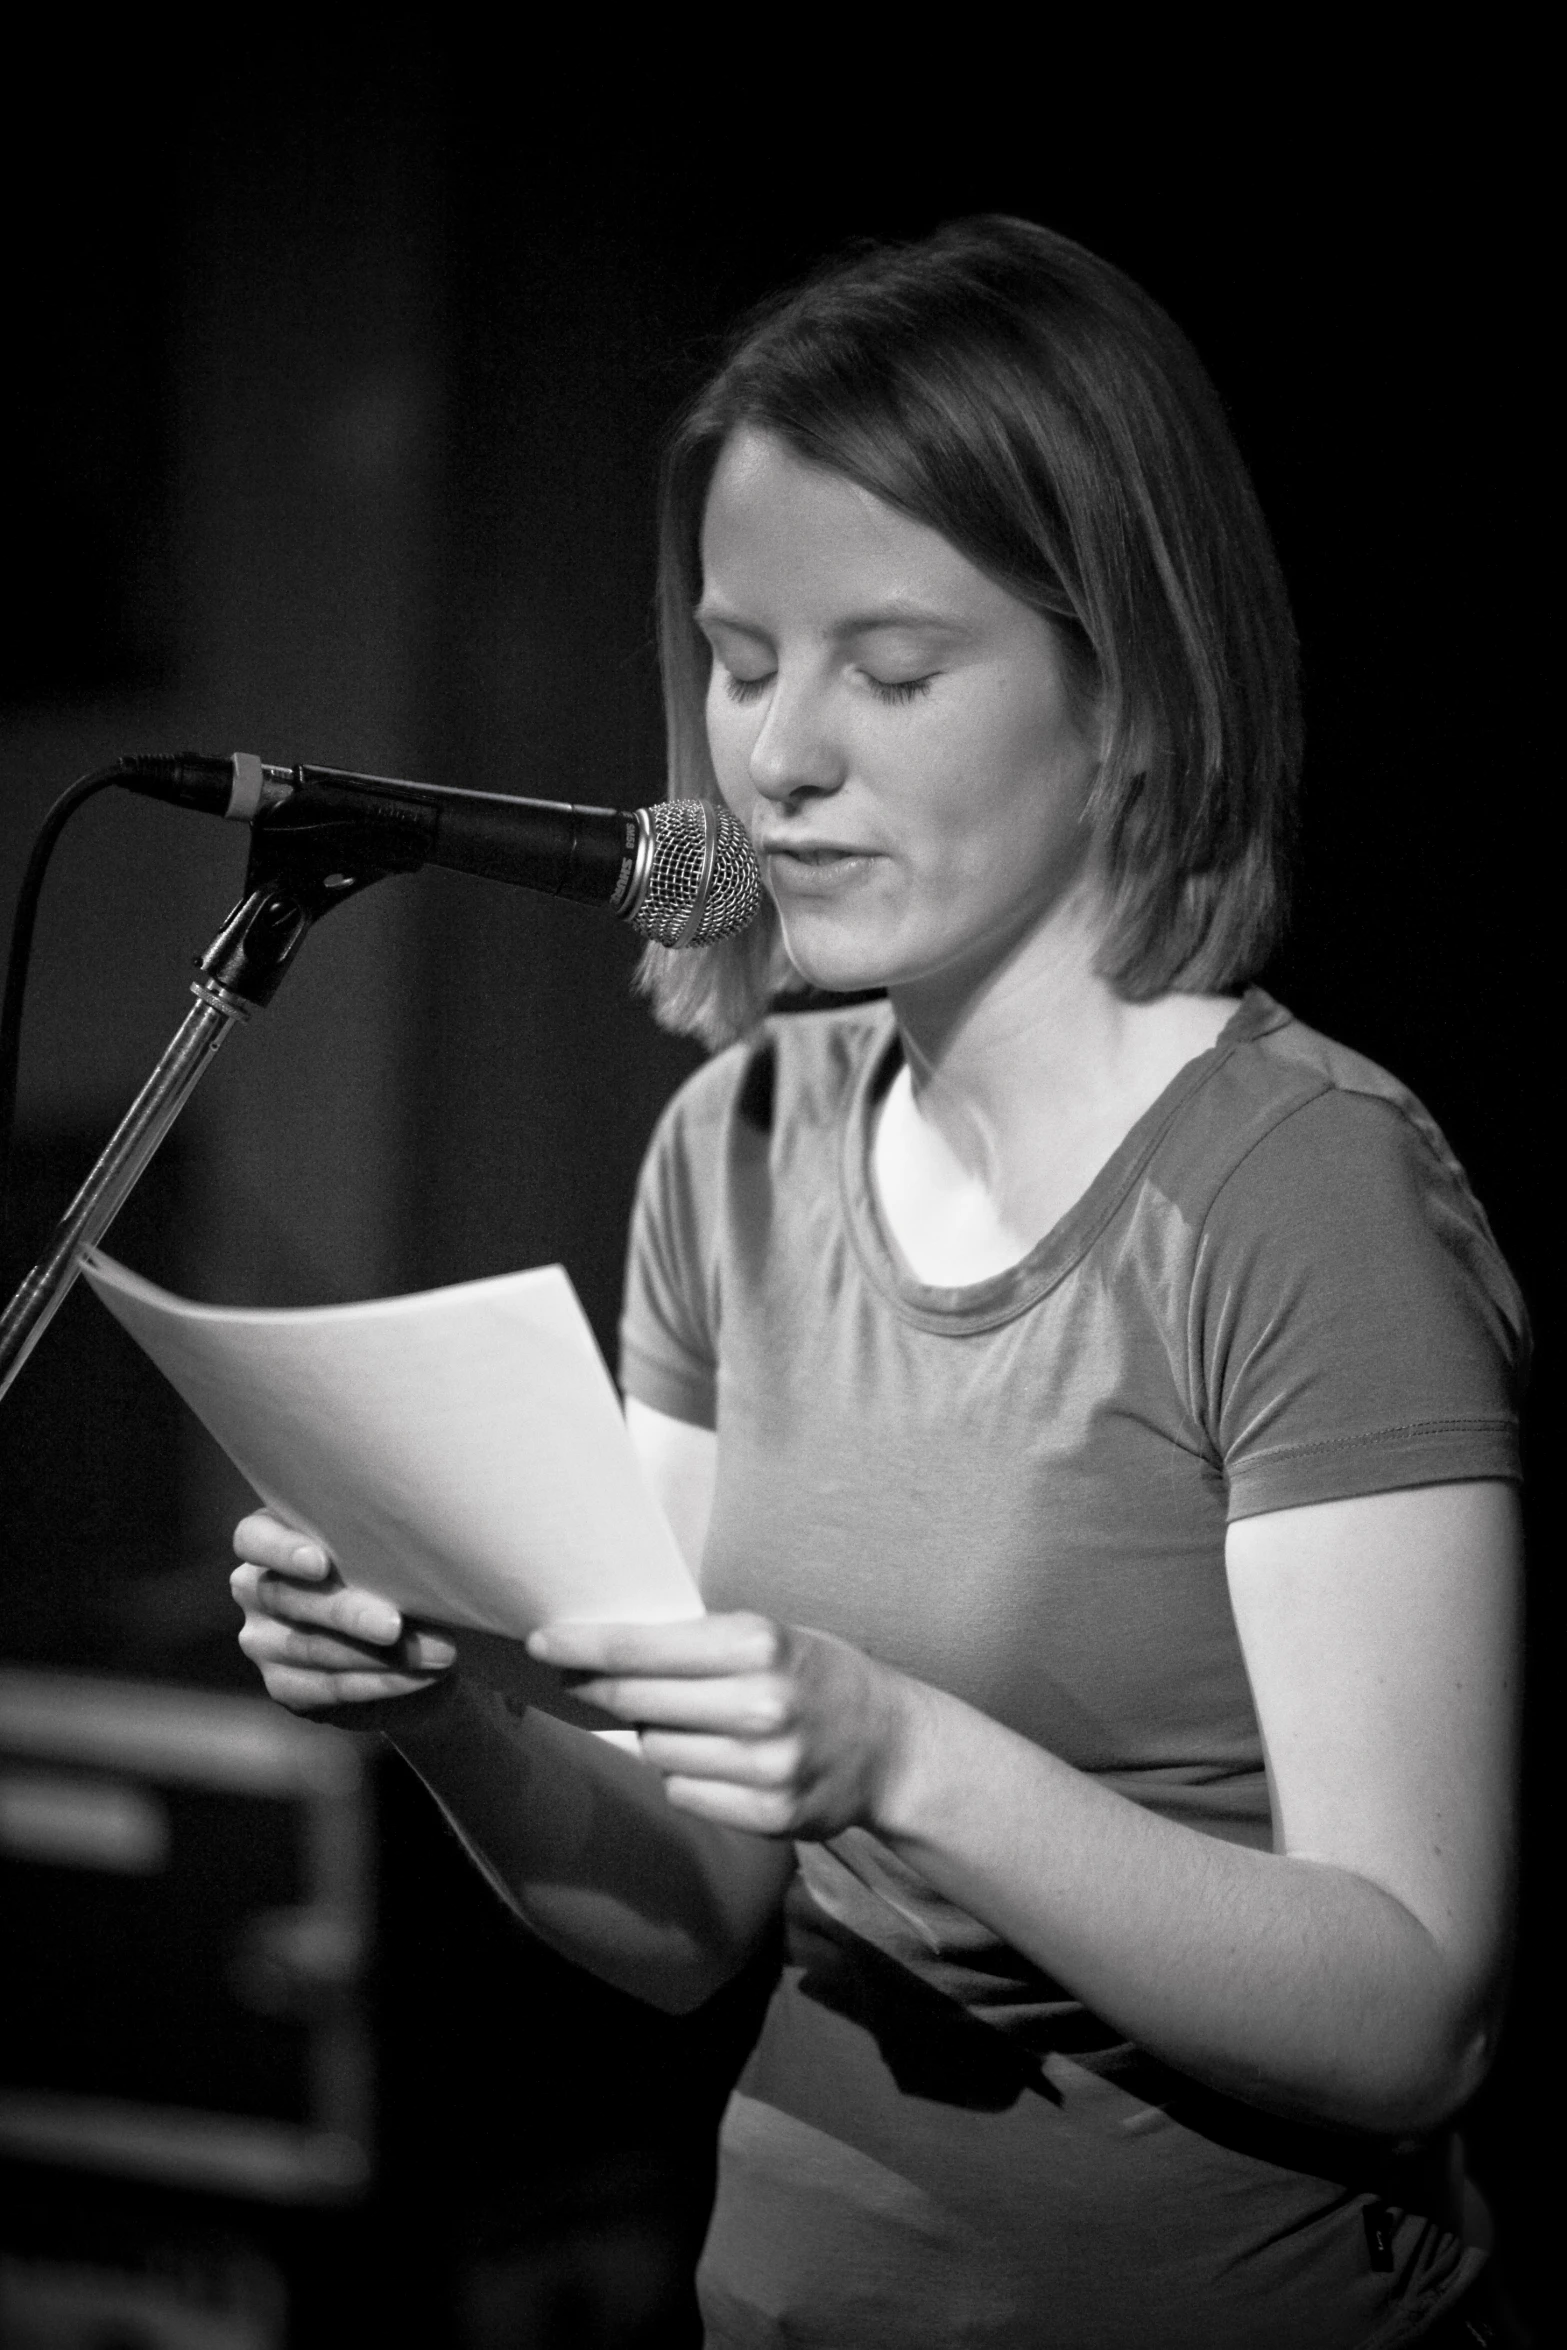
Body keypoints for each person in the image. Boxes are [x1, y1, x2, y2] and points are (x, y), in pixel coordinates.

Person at [229, 218, 1529, 2347]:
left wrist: (905, 1753)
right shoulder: (733, 1152)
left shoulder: (1309, 1192)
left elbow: (1409, 2012)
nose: (777, 755)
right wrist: (446, 1714)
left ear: (1128, 691)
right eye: (740, 662)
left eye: (891, 671)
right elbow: (684, 1911)